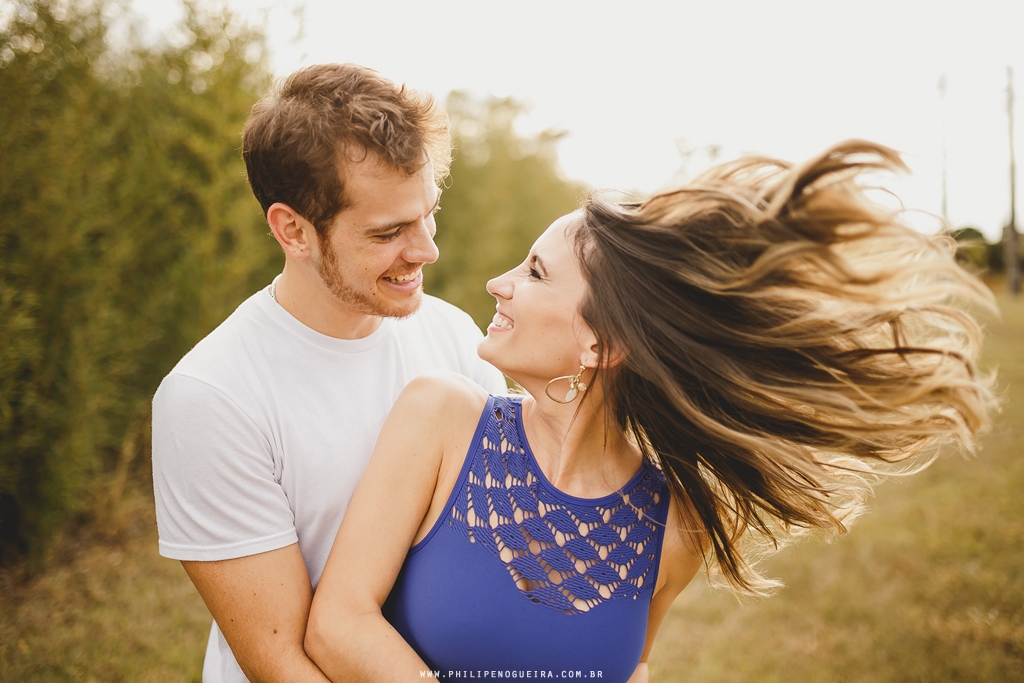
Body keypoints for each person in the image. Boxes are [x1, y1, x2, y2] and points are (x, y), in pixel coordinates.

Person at [302, 140, 996, 682]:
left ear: (601, 343)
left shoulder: (676, 522)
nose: (497, 283)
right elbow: (337, 625)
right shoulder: (441, 418)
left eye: (535, 272)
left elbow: (631, 670)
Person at [150, 63, 507, 683]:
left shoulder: (453, 335)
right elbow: (282, 660)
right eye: (388, 232)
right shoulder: (211, 397)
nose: (427, 250)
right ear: (294, 230)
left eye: (428, 213)